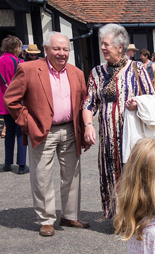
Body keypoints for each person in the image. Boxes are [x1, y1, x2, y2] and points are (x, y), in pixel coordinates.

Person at [5, 32, 91, 237]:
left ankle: (69, 216)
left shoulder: (76, 72)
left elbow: (84, 101)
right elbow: (11, 99)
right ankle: (46, 219)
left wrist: (85, 127)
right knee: (42, 175)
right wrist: (28, 123)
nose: (61, 53)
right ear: (46, 49)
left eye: (65, 49)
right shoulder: (28, 69)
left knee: (72, 174)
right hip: (42, 130)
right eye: (56, 49)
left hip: (70, 130)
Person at [82, 24, 155, 219]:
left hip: (132, 137)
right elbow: (89, 103)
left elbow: (152, 97)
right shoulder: (96, 73)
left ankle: (137, 216)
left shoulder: (137, 68)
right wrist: (88, 125)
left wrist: (137, 103)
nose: (103, 48)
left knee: (135, 175)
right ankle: (117, 216)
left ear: (120, 47)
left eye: (107, 44)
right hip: (107, 138)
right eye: (102, 44)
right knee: (110, 175)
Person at [0, 35, 27, 174]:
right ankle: (22, 164)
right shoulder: (19, 62)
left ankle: (7, 163)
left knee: (9, 132)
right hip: (16, 102)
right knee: (21, 132)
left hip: (3, 102)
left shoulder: (0, 60)